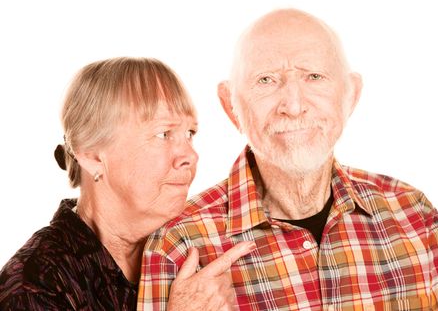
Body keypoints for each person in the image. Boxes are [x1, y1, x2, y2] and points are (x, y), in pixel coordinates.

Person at [138, 10, 438, 310]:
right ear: (232, 107)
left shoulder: (412, 214)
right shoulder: (179, 245)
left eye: (314, 77)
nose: (293, 104)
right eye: (266, 80)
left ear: (351, 96)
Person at [0, 57, 255, 310]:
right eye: (163, 134)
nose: (190, 156)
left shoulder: (188, 248)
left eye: (190, 134)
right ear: (92, 155)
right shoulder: (34, 285)